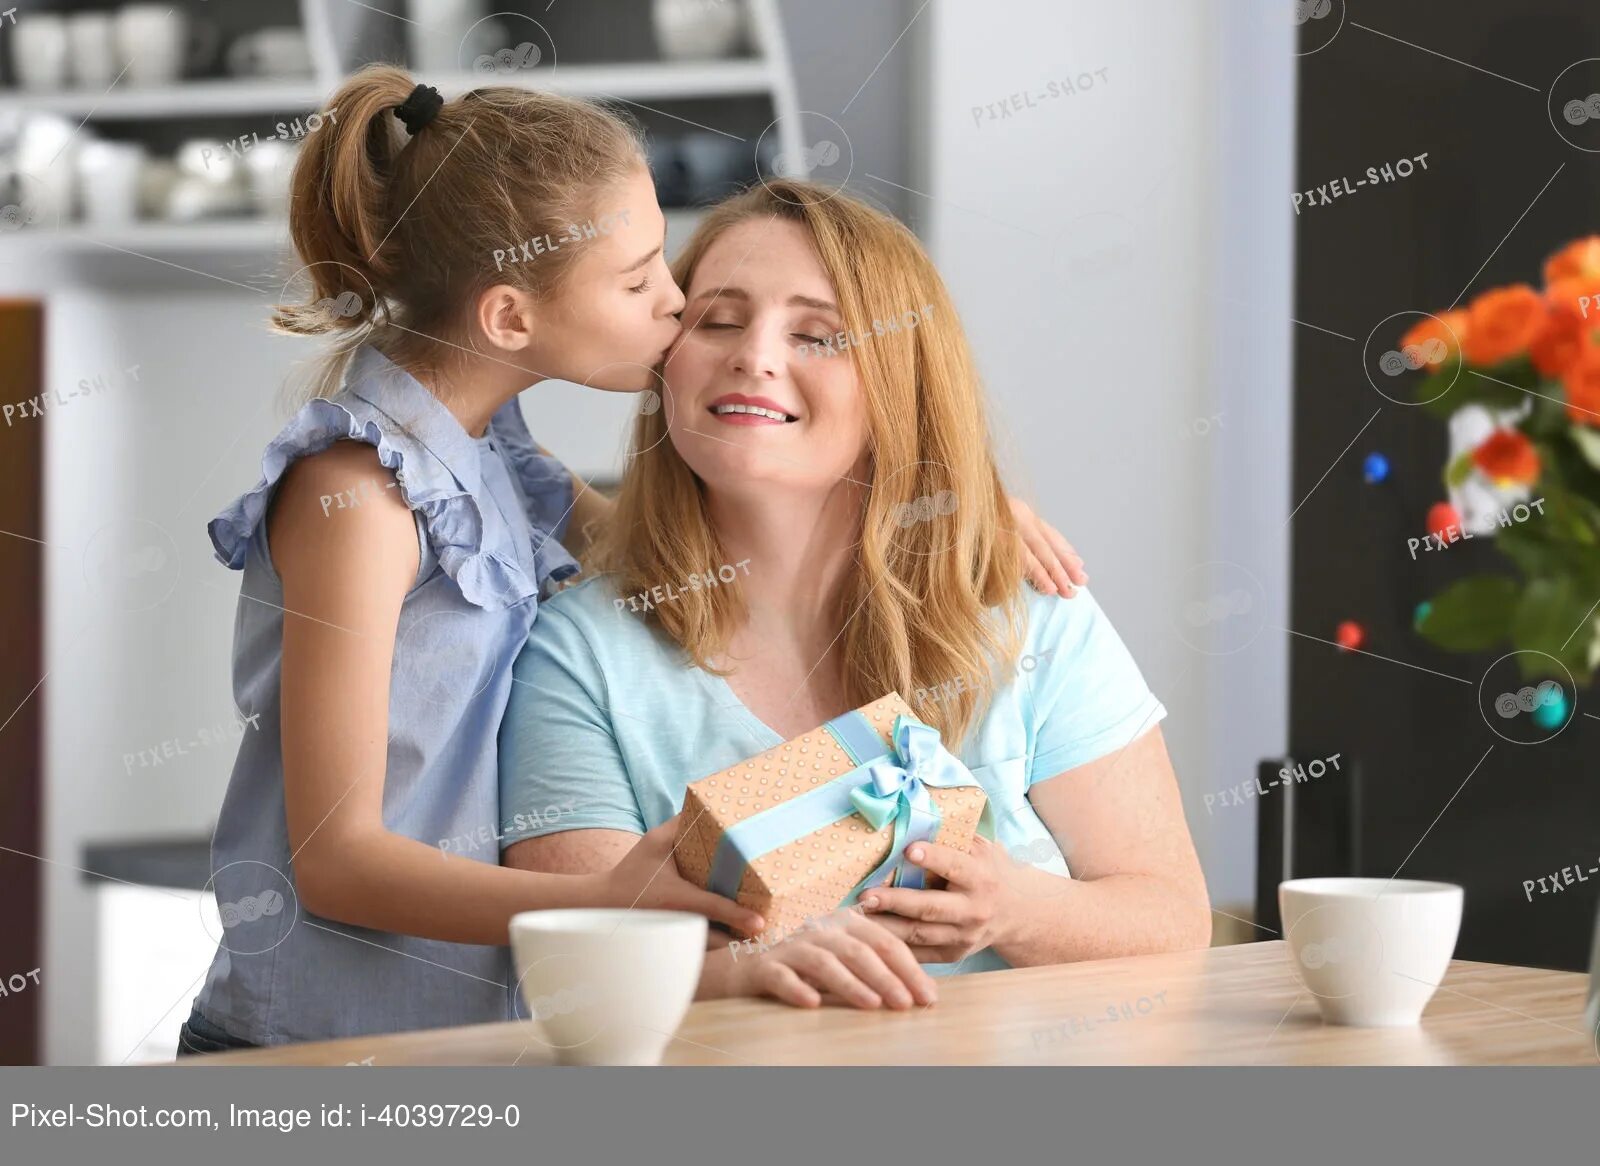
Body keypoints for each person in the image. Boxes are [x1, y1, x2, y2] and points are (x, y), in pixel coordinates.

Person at [499, 179, 1212, 1013]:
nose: (754, 355)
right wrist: (746, 970)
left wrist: (1016, 911)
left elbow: (1172, 916)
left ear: (900, 388)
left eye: (819, 335)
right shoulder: (579, 654)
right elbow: (575, 964)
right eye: (718, 320)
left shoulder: (1026, 609)